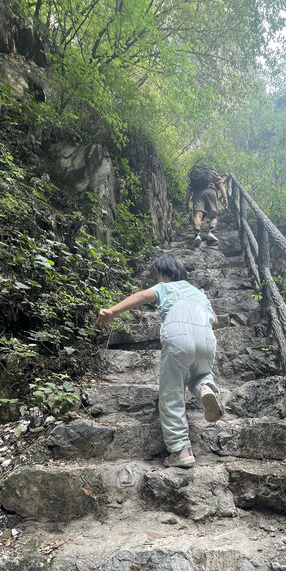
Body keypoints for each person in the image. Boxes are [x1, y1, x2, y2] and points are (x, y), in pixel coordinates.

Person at [97, 254, 223, 468]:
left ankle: (181, 451)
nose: (154, 282)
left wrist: (112, 311)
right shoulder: (198, 293)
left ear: (164, 273)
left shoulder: (165, 287)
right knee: (201, 373)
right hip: (206, 338)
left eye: (155, 277)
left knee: (172, 392)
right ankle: (204, 387)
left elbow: (142, 296)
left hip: (178, 336)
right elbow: (216, 320)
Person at [185, 162, 228, 249]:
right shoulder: (213, 173)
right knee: (213, 216)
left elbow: (189, 190)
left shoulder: (196, 176)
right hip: (211, 192)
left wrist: (186, 203)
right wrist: (225, 197)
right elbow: (221, 185)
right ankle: (211, 233)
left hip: (198, 194)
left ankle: (197, 235)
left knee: (197, 216)